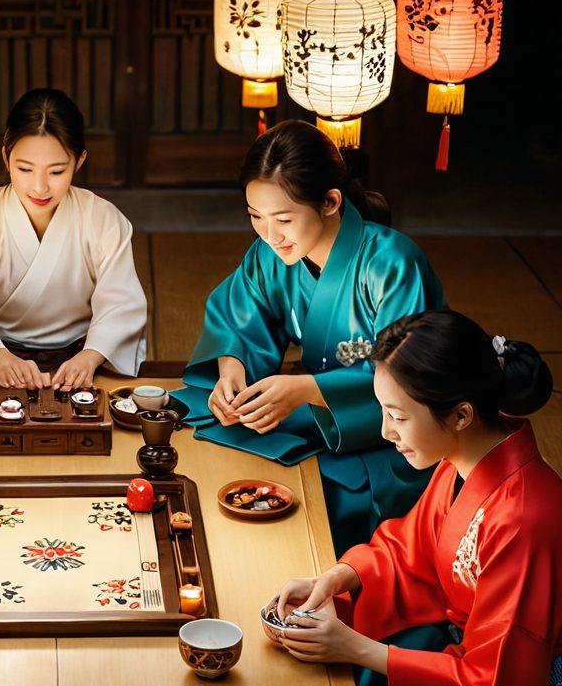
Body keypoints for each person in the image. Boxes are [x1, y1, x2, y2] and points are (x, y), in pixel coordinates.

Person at [266, 310, 559, 686]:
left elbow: (498, 685)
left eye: (398, 416)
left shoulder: (528, 516)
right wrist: (341, 578)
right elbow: (413, 553)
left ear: (458, 414)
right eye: (382, 409)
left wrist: (357, 649)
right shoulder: (464, 461)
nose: (385, 429)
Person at [175, 120, 445, 553]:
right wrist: (232, 371)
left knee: (301, 502)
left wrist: (307, 390)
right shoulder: (271, 254)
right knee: (201, 434)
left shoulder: (391, 264)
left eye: (283, 219)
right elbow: (239, 317)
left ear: (330, 202)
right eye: (256, 218)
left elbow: (409, 378)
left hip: (389, 440)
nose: (269, 235)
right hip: (315, 415)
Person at [0, 87, 147, 391]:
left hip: (82, 360)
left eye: (57, 171)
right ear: (5, 157)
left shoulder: (104, 220)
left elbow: (121, 304)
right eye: (24, 168)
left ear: (79, 161)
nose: (40, 187)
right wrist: (0, 359)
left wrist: (90, 356)